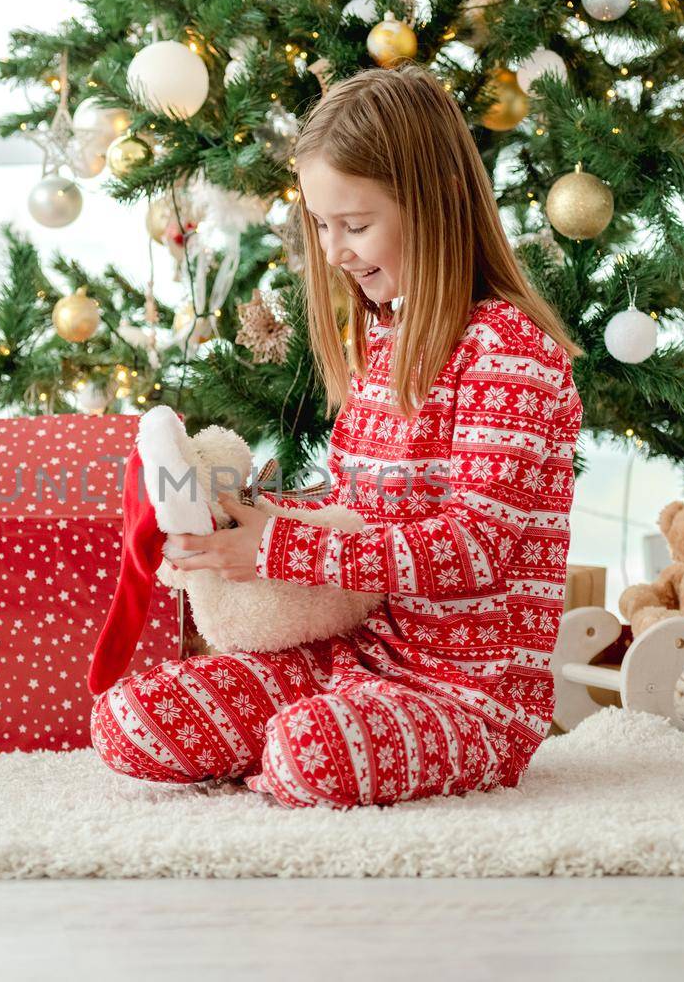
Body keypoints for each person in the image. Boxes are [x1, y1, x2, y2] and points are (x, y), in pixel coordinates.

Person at [90, 63, 584, 809]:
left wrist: (284, 546)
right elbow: (360, 515)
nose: (333, 251)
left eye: (354, 225)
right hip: (355, 657)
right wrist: (252, 518)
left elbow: (476, 544)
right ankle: (295, 735)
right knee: (130, 722)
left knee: (305, 753)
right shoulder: (386, 341)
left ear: (437, 203)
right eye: (321, 225)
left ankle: (292, 745)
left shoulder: (508, 350)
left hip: (472, 696)